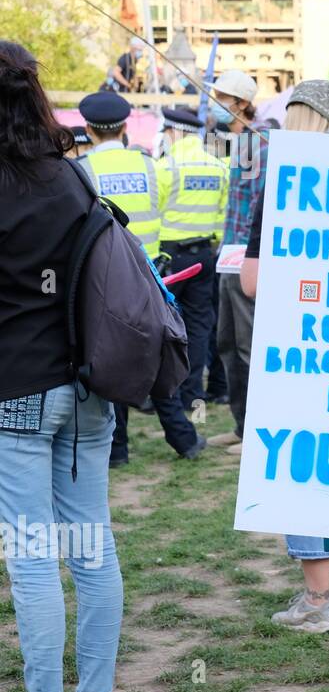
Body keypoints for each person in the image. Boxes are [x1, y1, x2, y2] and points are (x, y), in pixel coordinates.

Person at [0, 41, 122, 692]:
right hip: (84, 390)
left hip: (17, 394)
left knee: (33, 558)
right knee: (89, 546)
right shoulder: (74, 178)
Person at [239, 80, 329, 632]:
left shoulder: (285, 185)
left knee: (300, 465)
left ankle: (318, 599)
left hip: (301, 348)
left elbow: (253, 280)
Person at [78, 91, 205, 466]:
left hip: (106, 281)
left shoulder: (83, 169)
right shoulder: (150, 165)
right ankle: (184, 439)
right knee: (155, 355)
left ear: (88, 129)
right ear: (124, 127)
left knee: (112, 358)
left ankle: (117, 450)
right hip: (151, 275)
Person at [211, 69, 268, 457]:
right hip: (228, 256)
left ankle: (255, 432)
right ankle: (240, 424)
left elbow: (257, 209)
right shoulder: (238, 142)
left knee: (248, 346)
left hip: (245, 258)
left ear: (242, 104)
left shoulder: (259, 143)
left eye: (222, 98)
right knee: (227, 343)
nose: (215, 104)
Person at [156, 106, 229, 413]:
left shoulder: (166, 167)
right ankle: (192, 393)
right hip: (205, 257)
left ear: (174, 132)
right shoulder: (218, 167)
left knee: (162, 325)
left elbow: (154, 210)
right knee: (199, 326)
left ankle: (162, 392)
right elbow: (221, 218)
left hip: (170, 258)